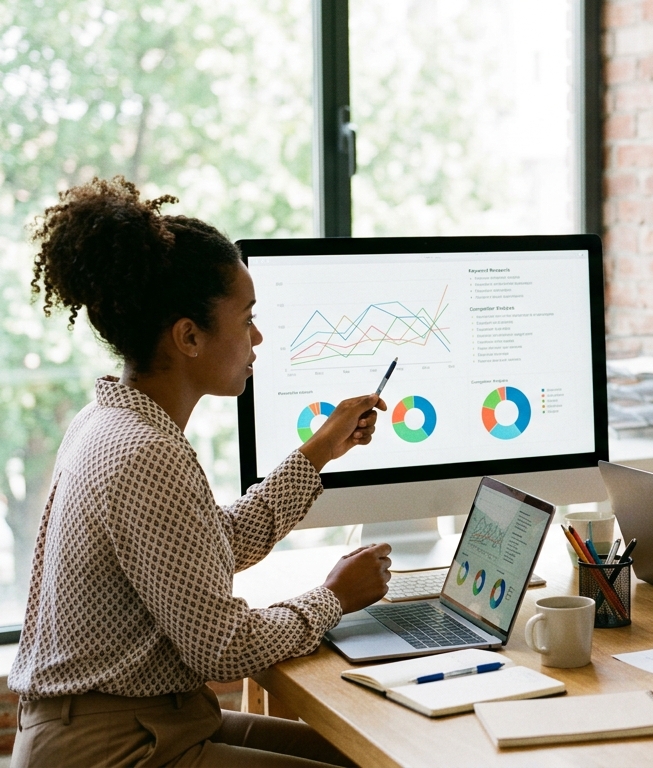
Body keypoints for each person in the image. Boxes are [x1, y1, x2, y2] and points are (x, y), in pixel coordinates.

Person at [10, 177, 396, 766]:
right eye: (246, 319)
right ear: (189, 336)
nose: (257, 337)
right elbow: (223, 647)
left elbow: (208, 546)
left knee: (361, 754)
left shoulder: (110, 419)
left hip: (148, 723)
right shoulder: (144, 452)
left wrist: (318, 452)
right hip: (114, 748)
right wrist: (332, 599)